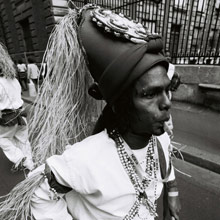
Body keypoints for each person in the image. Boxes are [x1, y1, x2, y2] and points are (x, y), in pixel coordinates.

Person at [0, 4, 181, 220]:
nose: (166, 103)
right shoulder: (87, 158)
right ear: (120, 104)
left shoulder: (160, 140)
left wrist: (172, 191)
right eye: (150, 94)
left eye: (167, 90)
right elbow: (39, 193)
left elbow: (166, 160)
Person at [0, 43, 34, 172]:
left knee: (3, 139)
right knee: (23, 140)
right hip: (21, 114)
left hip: (7, 118)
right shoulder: (12, 78)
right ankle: (30, 164)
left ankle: (21, 158)